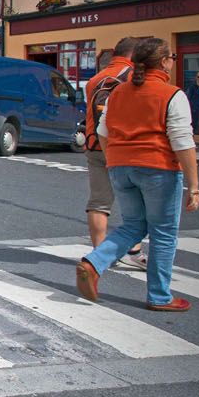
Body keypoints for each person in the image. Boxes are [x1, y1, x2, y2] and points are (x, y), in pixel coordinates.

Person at [76, 37, 199, 312]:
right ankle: (159, 296)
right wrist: (193, 185)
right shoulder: (171, 94)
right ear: (165, 61)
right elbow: (182, 141)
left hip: (121, 167)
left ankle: (94, 262)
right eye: (172, 58)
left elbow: (102, 131)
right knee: (164, 232)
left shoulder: (119, 92)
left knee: (134, 225)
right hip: (158, 168)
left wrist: (113, 161)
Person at [83, 36, 146, 270]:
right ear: (133, 55)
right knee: (135, 201)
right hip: (125, 148)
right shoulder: (134, 77)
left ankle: (100, 254)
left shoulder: (94, 80)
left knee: (99, 202)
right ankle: (135, 250)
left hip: (95, 144)